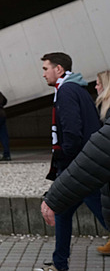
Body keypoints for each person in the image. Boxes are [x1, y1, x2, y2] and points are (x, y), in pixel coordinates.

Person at [33, 53, 105, 271]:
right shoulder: (78, 89)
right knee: (61, 210)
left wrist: (65, 159)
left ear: (59, 70)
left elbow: (72, 132)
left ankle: (59, 263)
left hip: (80, 168)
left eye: (46, 68)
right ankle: (59, 263)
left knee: (104, 214)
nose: (43, 73)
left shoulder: (66, 91)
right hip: (85, 164)